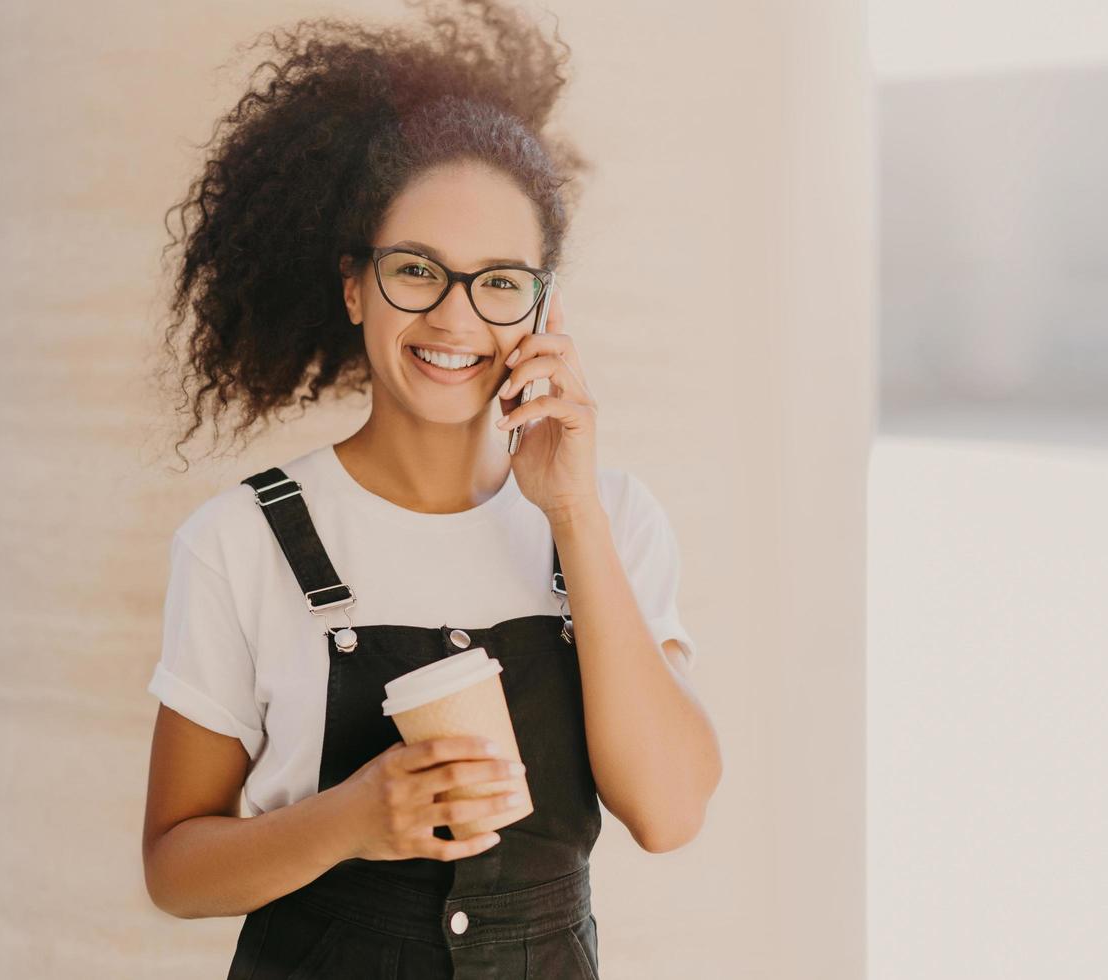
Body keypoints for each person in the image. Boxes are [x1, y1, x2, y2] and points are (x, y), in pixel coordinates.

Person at [140, 2, 723, 976]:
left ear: (543, 302)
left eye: (499, 281)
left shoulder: (611, 517)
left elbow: (670, 812)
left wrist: (571, 514)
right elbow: (174, 866)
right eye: (417, 270)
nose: (456, 316)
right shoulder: (240, 539)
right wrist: (352, 818)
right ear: (355, 285)